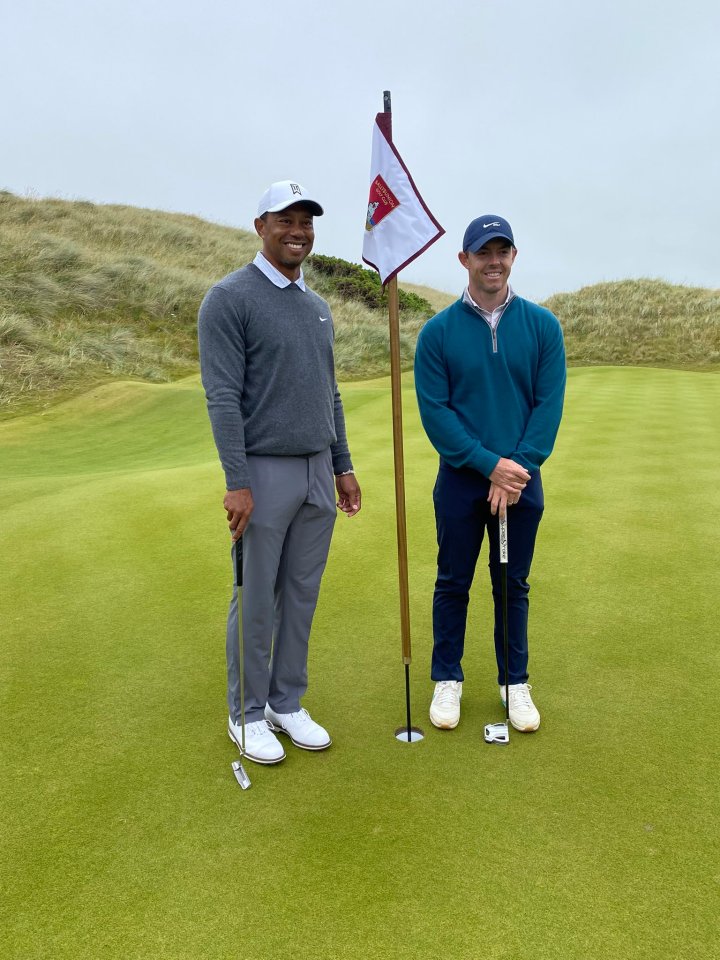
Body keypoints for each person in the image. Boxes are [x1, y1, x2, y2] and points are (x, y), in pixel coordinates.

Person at [198, 180, 361, 765]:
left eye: (306, 221)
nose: (298, 231)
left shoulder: (316, 307)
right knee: (256, 594)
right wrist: (236, 479)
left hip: (319, 469)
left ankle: (286, 701)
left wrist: (342, 465)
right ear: (260, 226)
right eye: (285, 220)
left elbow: (330, 393)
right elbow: (222, 396)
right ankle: (245, 713)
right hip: (264, 472)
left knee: (301, 592)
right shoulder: (229, 298)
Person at [413, 215, 565, 733]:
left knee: (512, 585)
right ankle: (446, 679)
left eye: (502, 251)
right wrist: (489, 465)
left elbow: (547, 407)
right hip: (460, 481)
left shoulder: (542, 326)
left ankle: (513, 682)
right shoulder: (438, 332)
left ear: (514, 257)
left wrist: (515, 469)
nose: (493, 261)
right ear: (465, 260)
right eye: (483, 253)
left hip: (521, 483)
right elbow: (437, 415)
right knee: (453, 582)